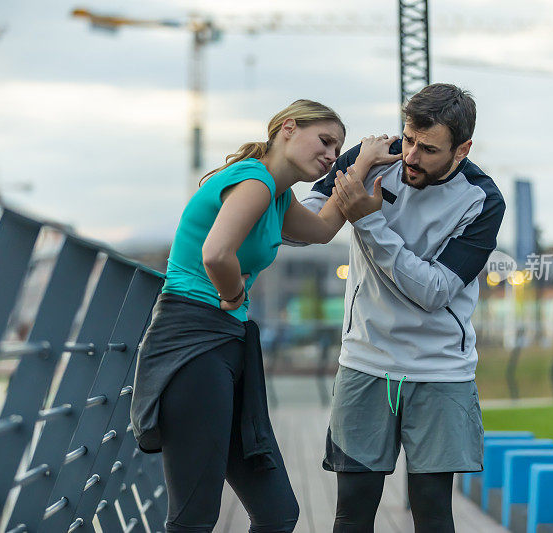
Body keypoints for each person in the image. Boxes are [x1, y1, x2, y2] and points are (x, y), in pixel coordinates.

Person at [130, 99, 397, 533]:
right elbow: (216, 254)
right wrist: (235, 293)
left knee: (277, 513)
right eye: (325, 141)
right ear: (288, 128)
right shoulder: (254, 181)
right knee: (193, 516)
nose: (331, 155)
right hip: (191, 343)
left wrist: (362, 166)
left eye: (338, 148)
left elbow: (323, 228)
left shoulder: (276, 195)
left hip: (227, 347)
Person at [292, 83, 506, 532]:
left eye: (429, 149)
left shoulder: (482, 200)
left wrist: (367, 220)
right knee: (351, 511)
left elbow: (434, 290)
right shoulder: (370, 160)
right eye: (408, 139)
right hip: (365, 362)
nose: (410, 156)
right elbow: (304, 224)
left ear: (462, 149)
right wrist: (270, 177)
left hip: (441, 370)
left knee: (432, 511)